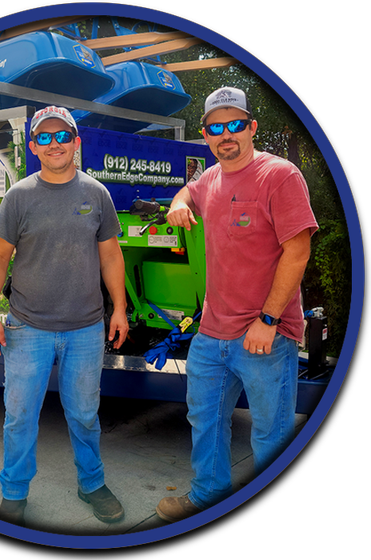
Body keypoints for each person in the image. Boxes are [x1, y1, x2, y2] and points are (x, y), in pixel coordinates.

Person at [156, 87, 319, 522]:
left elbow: (298, 252)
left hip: (264, 335)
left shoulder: (279, 175)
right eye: (215, 127)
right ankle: (209, 496)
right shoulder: (210, 178)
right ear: (206, 135)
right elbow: (192, 189)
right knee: (205, 422)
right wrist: (177, 202)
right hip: (212, 333)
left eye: (234, 125)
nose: (225, 135)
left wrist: (267, 320)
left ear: (251, 128)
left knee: (271, 435)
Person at [0, 106, 129, 527]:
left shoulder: (97, 194)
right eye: (44, 138)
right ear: (33, 147)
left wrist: (118, 308)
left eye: (62, 135)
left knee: (84, 412)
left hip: (85, 327)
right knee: (20, 415)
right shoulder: (19, 196)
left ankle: (92, 483)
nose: (54, 144)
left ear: (76, 142)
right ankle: (14, 493)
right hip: (27, 327)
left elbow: (110, 255)